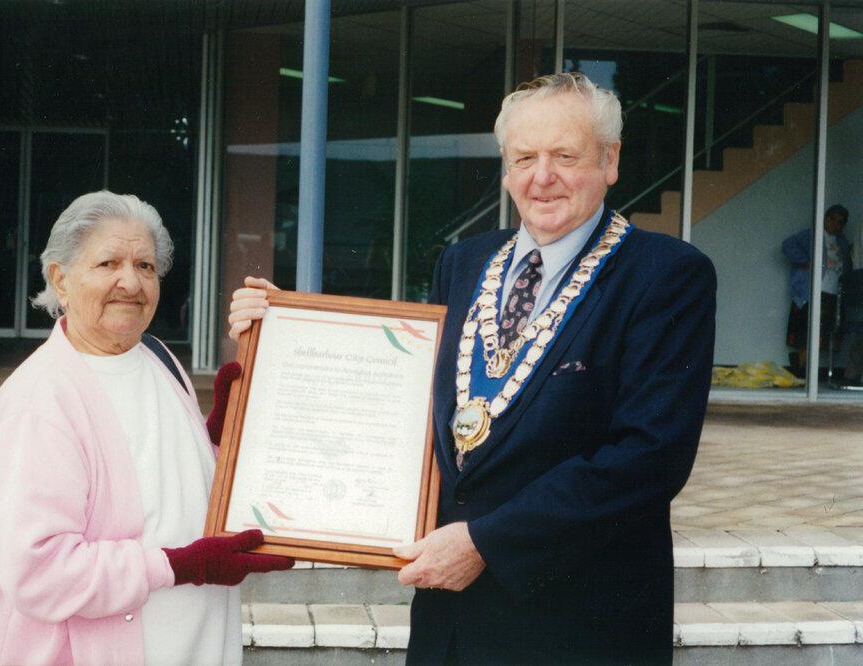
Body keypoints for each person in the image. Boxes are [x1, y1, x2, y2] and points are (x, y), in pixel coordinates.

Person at [230, 72, 716, 664]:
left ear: (610, 160)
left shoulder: (665, 274)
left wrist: (488, 543)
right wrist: (285, 336)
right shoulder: (464, 262)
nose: (543, 177)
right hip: (450, 626)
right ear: (506, 169)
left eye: (566, 156)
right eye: (524, 157)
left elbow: (648, 458)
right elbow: (408, 400)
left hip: (580, 626)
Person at [0, 191, 293, 666]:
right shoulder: (40, 402)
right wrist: (182, 566)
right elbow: (39, 572)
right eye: (108, 263)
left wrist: (224, 430)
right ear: (60, 281)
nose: (130, 281)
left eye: (145, 266)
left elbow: (165, 475)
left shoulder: (156, 356)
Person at [782, 204, 852, 377]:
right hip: (812, 291)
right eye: (834, 220)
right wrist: (806, 261)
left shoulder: (842, 241)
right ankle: (801, 368)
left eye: (841, 222)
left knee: (824, 334)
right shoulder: (811, 235)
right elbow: (787, 245)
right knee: (806, 333)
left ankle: (806, 369)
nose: (837, 225)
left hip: (833, 291)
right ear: (826, 219)